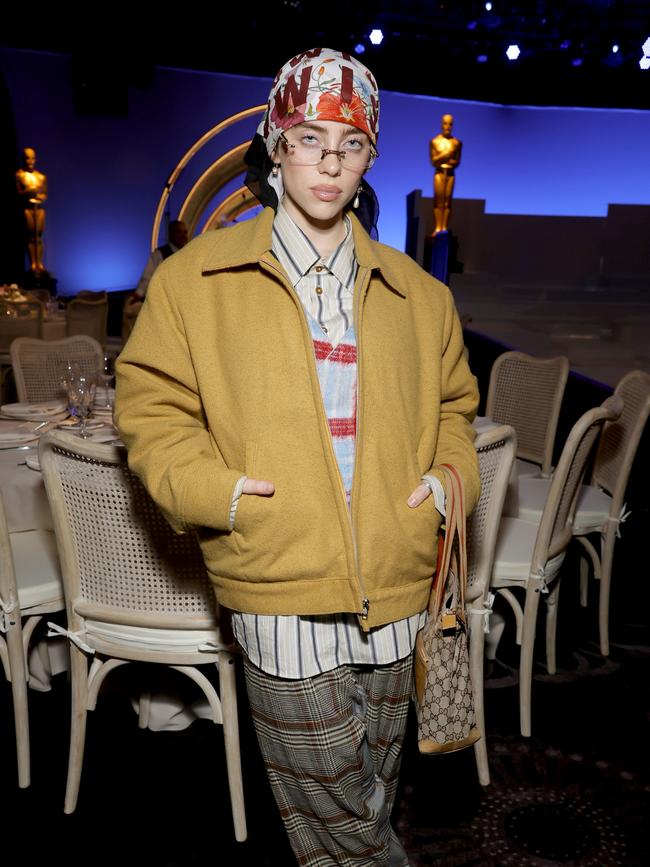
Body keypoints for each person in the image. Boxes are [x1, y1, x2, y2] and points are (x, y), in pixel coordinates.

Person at [115, 48, 479, 867]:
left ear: (369, 157)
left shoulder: (421, 295)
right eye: (309, 138)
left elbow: (458, 408)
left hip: (395, 591)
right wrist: (225, 495)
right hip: (277, 586)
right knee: (344, 833)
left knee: (369, 801)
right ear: (276, 145)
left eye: (349, 145)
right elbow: (149, 408)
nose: (328, 161)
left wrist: (446, 484)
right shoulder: (193, 280)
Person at [133, 219, 188, 298]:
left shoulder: (189, 253)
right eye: (179, 232)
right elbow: (147, 278)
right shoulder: (159, 254)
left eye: (185, 232)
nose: (183, 236)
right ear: (171, 234)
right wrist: (138, 294)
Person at [15, 147, 48, 273]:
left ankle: (40, 263)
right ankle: (33, 264)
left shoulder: (41, 177)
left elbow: (44, 195)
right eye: (27, 158)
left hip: (38, 209)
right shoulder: (20, 175)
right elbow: (18, 193)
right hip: (27, 209)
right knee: (30, 237)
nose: (30, 161)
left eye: (32, 158)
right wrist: (27, 193)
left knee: (38, 237)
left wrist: (39, 197)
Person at [429, 114, 462, 235]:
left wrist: (446, 160)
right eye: (445, 123)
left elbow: (456, 162)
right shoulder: (435, 141)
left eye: (450, 124)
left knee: (447, 202)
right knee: (438, 201)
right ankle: (438, 227)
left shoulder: (456, 143)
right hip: (439, 173)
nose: (447, 126)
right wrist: (445, 156)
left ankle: (444, 227)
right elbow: (433, 161)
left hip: (450, 174)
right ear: (442, 124)